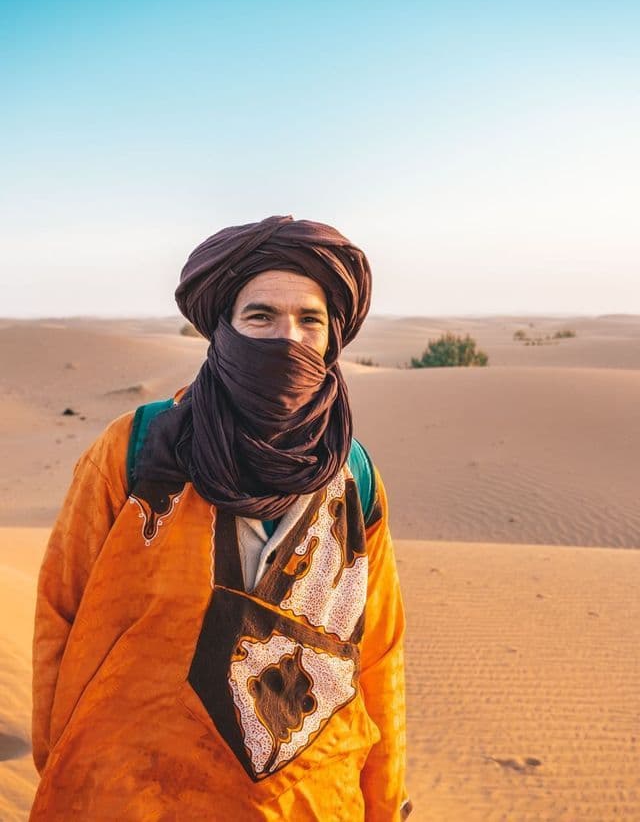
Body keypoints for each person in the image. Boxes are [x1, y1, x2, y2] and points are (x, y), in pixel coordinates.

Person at [30, 215, 412, 821]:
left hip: (310, 802)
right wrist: (64, 767)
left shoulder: (352, 474)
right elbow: (61, 611)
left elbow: (379, 653)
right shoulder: (137, 449)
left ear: (333, 335)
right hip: (129, 794)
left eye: (309, 319)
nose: (288, 339)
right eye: (261, 317)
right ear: (222, 329)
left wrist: (384, 803)